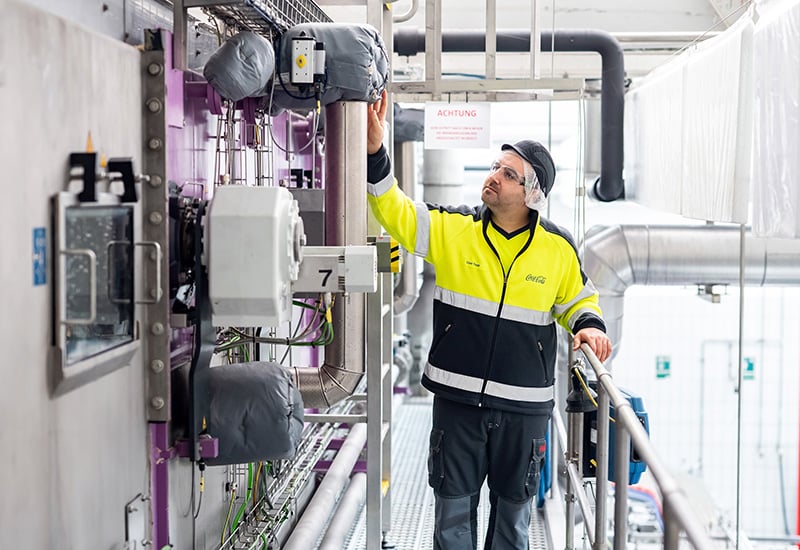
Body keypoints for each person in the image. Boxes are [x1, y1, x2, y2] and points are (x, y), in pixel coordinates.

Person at [366, 90, 611, 550]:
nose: (494, 177)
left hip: (524, 409)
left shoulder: (558, 248)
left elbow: (578, 298)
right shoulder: (455, 230)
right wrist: (376, 152)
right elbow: (394, 211)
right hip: (458, 402)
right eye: (495, 168)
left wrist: (590, 324)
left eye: (508, 174)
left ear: (531, 192)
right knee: (451, 521)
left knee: (513, 526)